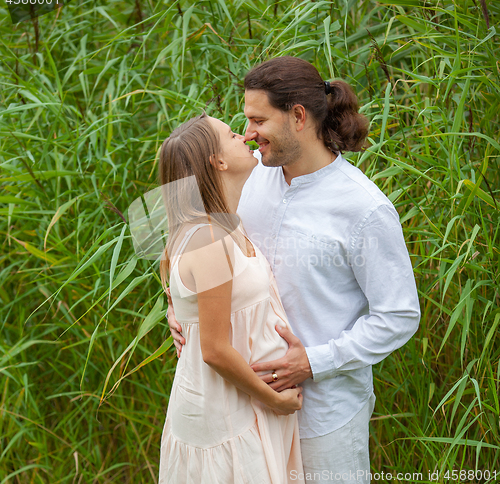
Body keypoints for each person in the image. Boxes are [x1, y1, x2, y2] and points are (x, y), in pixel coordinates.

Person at [168, 56, 421, 483]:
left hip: (324, 419)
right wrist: (178, 306)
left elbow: (399, 316)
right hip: (247, 412)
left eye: (257, 120)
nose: (247, 134)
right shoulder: (248, 179)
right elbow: (182, 233)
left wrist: (314, 362)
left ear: (298, 117)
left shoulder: (364, 208)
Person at [157, 113, 304, 483]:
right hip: (226, 413)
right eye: (232, 134)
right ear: (218, 162)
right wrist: (274, 400)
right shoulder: (209, 236)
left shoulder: (219, 223)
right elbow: (214, 350)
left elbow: (177, 281)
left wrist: (176, 308)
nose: (246, 136)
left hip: (241, 404)